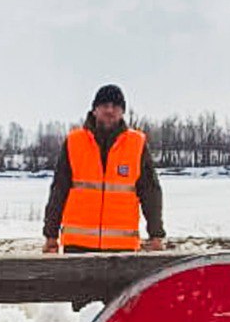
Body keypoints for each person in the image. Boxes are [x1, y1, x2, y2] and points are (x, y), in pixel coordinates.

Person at [42, 84, 166, 253]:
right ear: (94, 110)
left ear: (123, 111)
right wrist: (50, 236)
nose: (109, 110)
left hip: (122, 248)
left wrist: (156, 235)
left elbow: (150, 192)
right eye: (104, 105)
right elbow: (59, 190)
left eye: (115, 106)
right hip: (78, 246)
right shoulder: (74, 142)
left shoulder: (136, 144)